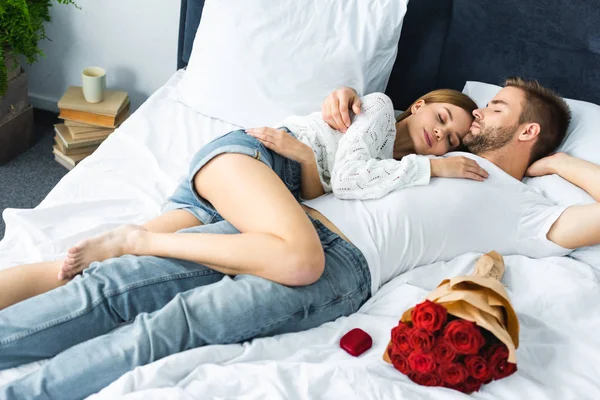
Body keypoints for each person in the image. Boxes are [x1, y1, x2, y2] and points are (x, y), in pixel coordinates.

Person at [2, 77, 600, 400]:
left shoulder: (525, 210)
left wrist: (556, 168)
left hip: (338, 269)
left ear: (525, 129)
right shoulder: (424, 144)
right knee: (111, 289)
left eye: (494, 108)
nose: (475, 116)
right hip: (281, 216)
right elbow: (358, 137)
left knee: (173, 326)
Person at [0, 88, 482, 309]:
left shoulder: (394, 170)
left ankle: (126, 243)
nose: (439, 135)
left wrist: (309, 162)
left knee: (87, 272)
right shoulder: (376, 109)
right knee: (300, 259)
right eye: (441, 117)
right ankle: (134, 240)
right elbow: (353, 178)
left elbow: (322, 193)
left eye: (452, 140)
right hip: (247, 162)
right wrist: (433, 168)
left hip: (249, 191)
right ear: (418, 105)